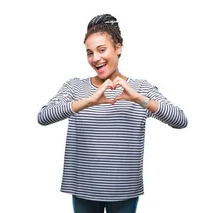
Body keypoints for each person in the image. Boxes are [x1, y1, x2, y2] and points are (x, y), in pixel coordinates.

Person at [37, 14, 188, 213]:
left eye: (102, 50)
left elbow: (180, 120)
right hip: (84, 189)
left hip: (124, 189)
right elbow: (43, 117)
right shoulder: (75, 87)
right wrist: (90, 101)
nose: (95, 58)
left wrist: (138, 99)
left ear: (118, 48)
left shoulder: (139, 88)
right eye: (89, 53)